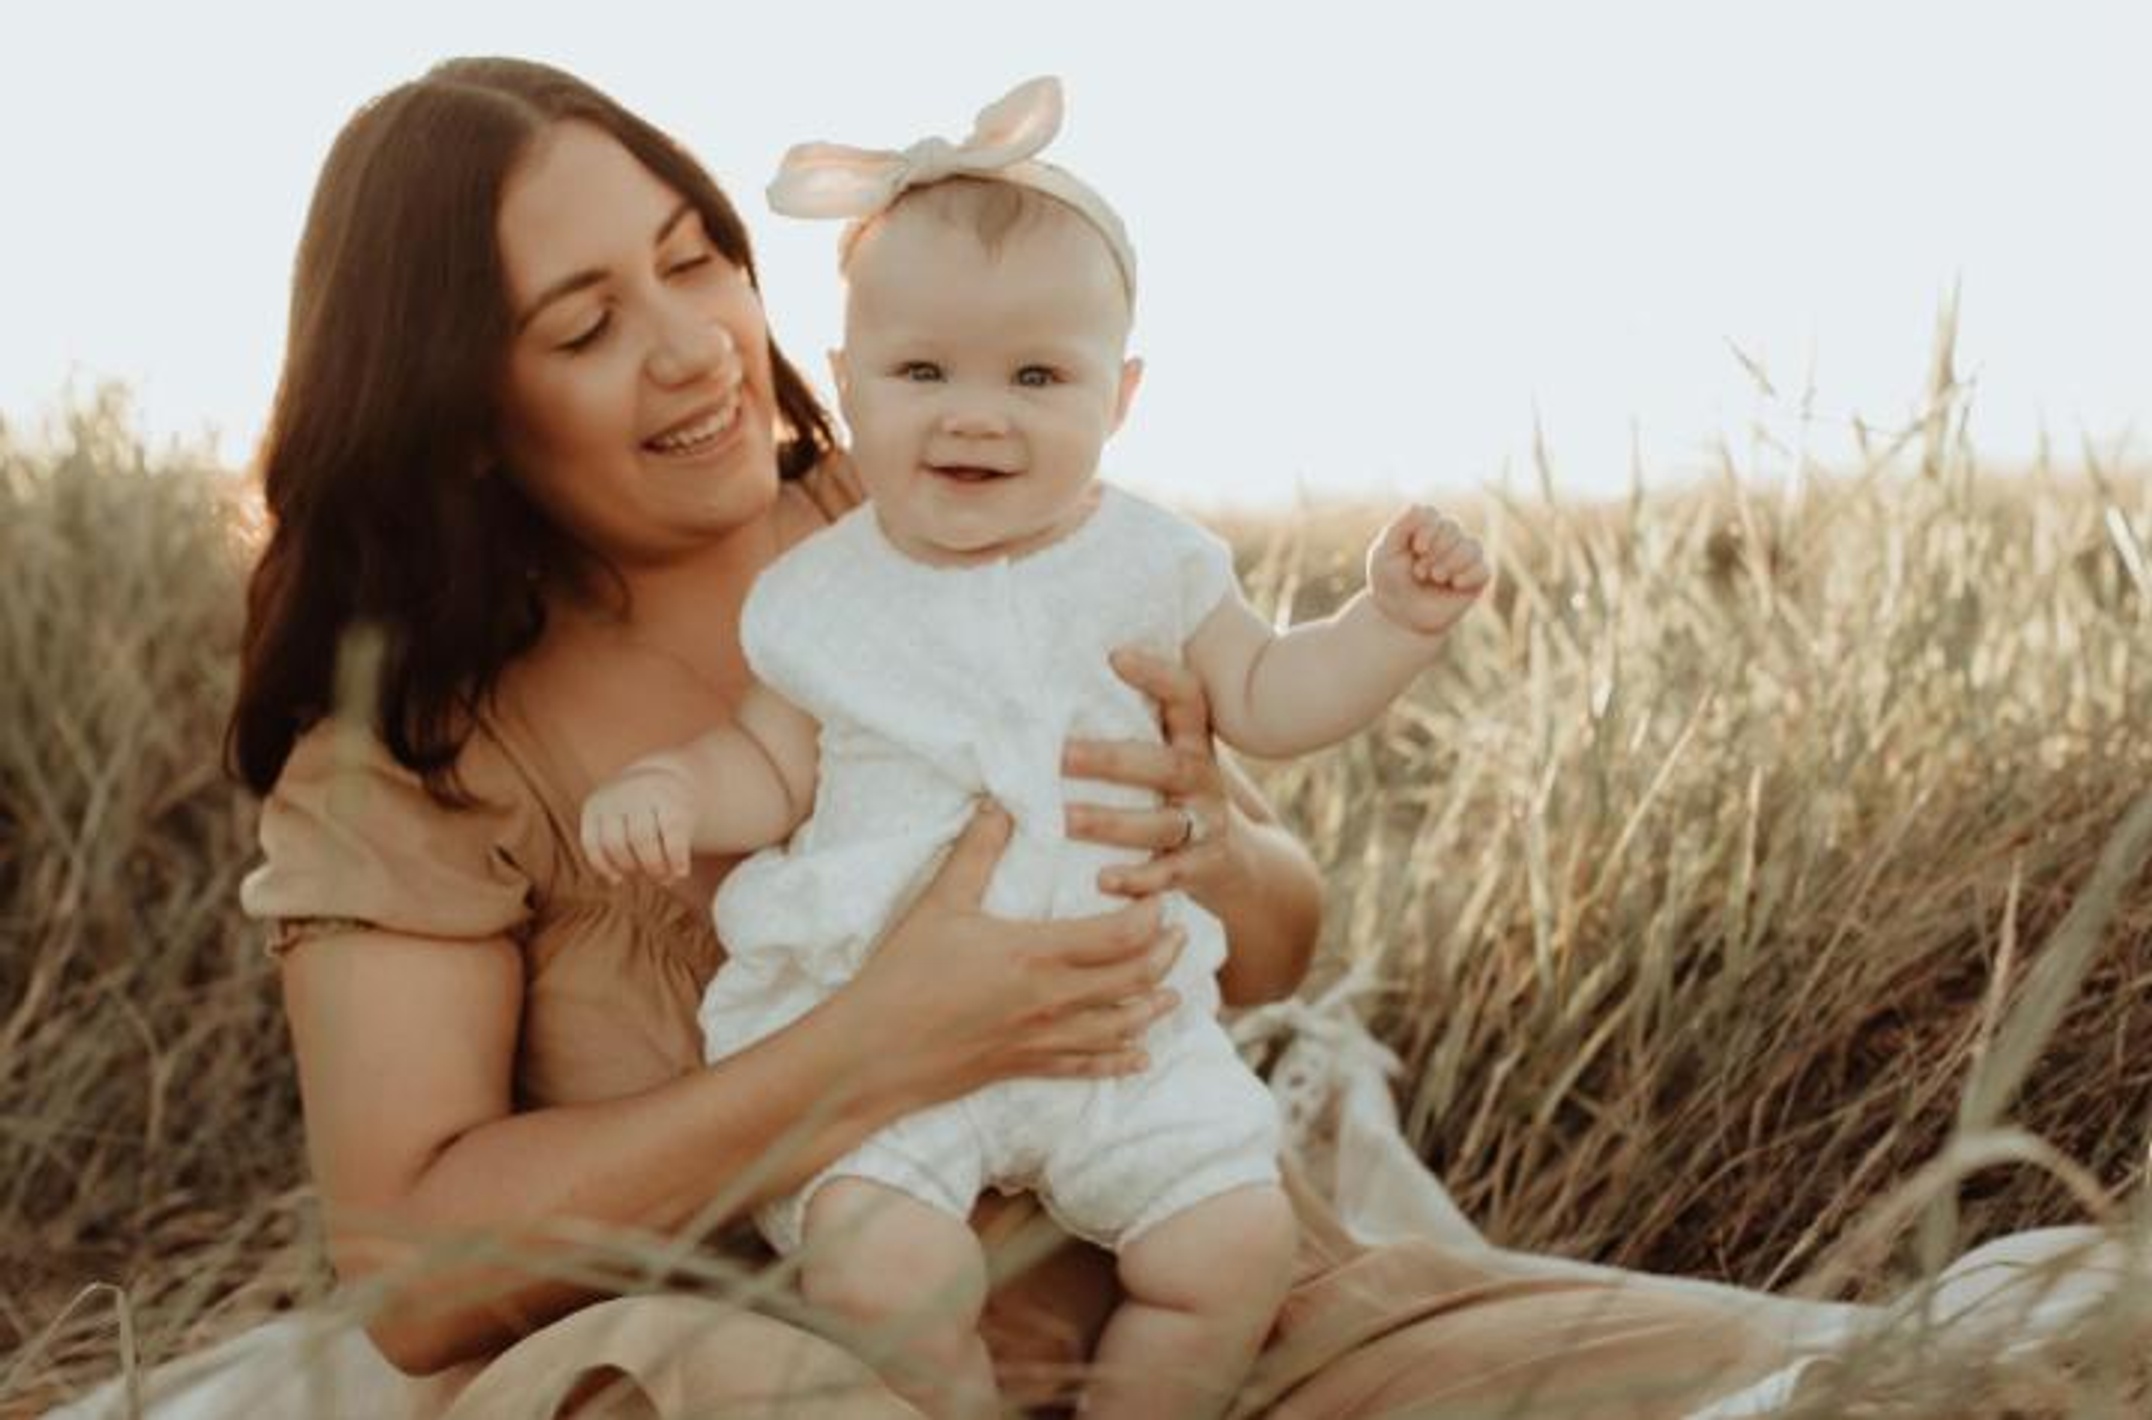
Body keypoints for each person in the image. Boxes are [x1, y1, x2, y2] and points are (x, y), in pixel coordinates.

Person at [184, 54, 2128, 1420]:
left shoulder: (959, 499)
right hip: (752, 1358)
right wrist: (878, 1044)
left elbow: (1270, 922)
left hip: (1181, 1300)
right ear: (457, 402)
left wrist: (1183, 840)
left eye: (693, 254)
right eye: (585, 319)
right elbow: (419, 1267)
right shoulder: (417, 734)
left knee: (1936, 1376)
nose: (692, 339)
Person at [574, 76, 1491, 1420]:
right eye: (923, 371)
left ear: (1119, 401)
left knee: (1230, 1245)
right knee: (879, 1261)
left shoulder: (1155, 567)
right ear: (847, 384)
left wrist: (1390, 624)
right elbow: (767, 766)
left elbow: (1276, 699)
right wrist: (671, 789)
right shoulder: (824, 594)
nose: (975, 415)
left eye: (1037, 377)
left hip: (1117, 1025)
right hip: (877, 1022)